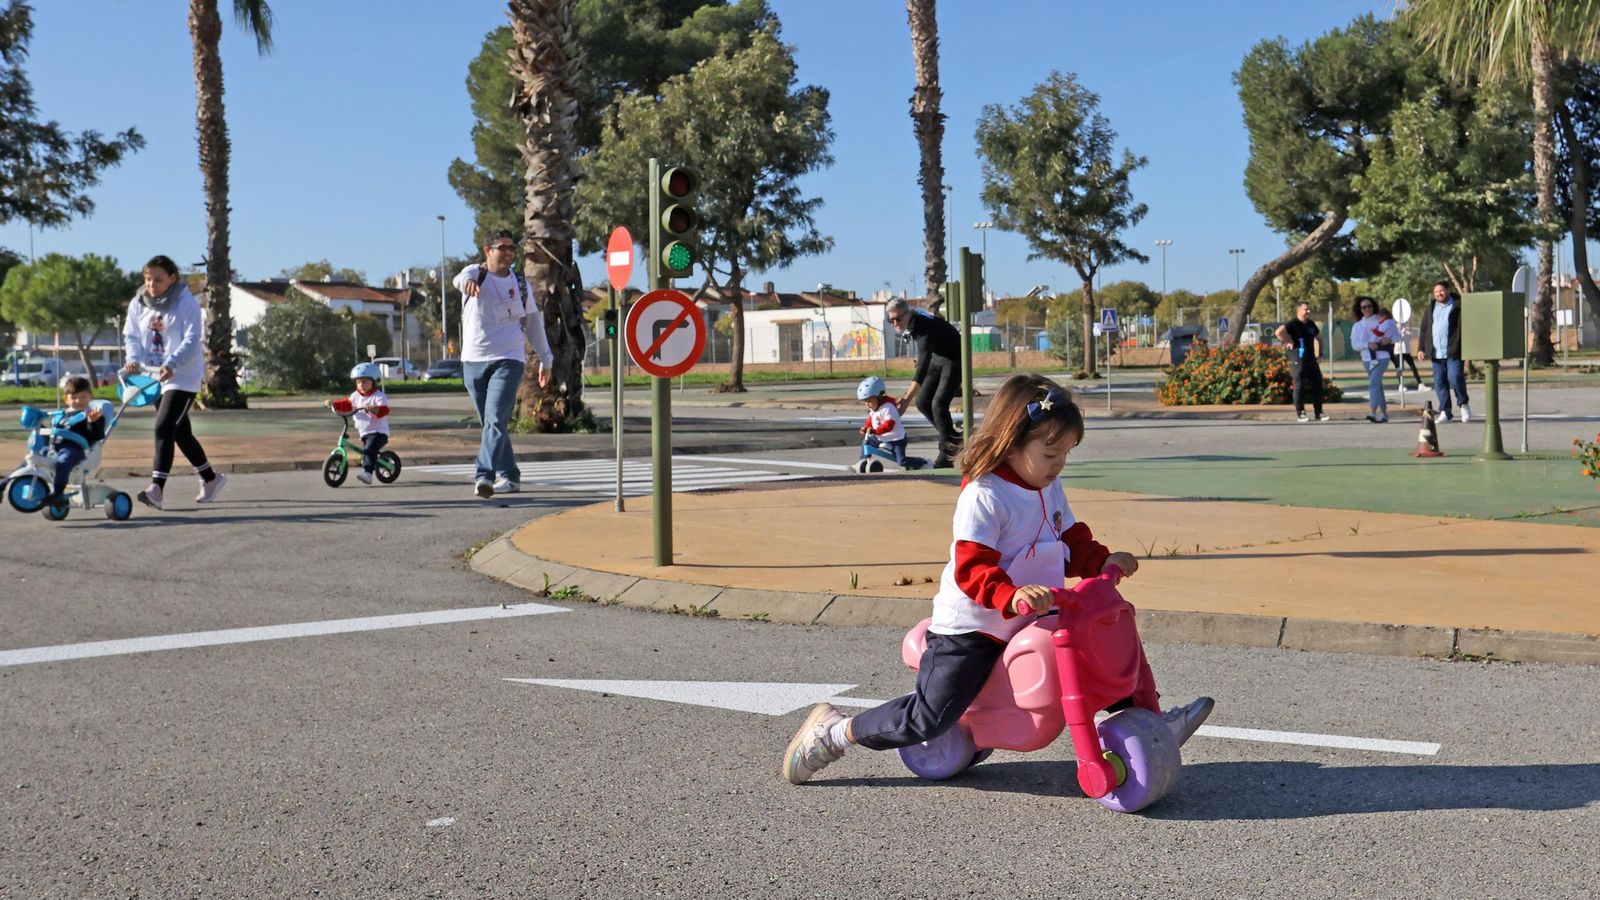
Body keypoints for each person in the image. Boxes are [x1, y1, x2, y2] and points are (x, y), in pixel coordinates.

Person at [781, 374, 1215, 785]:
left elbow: (1068, 536)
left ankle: (1150, 722)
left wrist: (1101, 561)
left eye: (1066, 453)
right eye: (1050, 454)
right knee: (930, 717)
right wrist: (1010, 593)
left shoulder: (1047, 484)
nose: (1059, 464)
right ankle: (836, 733)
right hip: (976, 625)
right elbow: (973, 568)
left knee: (1104, 636)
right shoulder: (986, 495)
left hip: (1034, 612)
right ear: (1011, 443)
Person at [452, 230, 553, 498]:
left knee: (495, 419)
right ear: (487, 250)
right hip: (473, 361)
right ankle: (510, 476)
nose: (508, 252)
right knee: (491, 423)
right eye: (502, 247)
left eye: (511, 247)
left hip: (509, 359)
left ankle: (484, 475)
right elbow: (460, 279)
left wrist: (546, 358)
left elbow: (533, 322)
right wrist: (467, 284)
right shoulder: (475, 273)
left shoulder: (520, 284)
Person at [122, 254, 225, 510]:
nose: (151, 284)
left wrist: (172, 364)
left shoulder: (185, 303)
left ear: (172, 278)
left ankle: (156, 489)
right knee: (180, 432)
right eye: (147, 279)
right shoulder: (139, 303)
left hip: (182, 376)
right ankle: (211, 479)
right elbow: (131, 336)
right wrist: (133, 360)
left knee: (163, 426)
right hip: (153, 375)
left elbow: (192, 340)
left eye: (157, 279)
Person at [887, 298, 963, 468]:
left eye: (898, 318)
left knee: (938, 404)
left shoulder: (923, 330)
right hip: (938, 357)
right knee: (922, 401)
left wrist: (906, 400)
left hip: (955, 358)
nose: (894, 323)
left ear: (908, 314)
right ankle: (953, 438)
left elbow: (921, 368)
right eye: (890, 320)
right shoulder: (913, 322)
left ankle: (947, 452)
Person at [43, 375, 106, 509]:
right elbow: (53, 433)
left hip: (76, 450)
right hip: (56, 448)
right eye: (74, 397)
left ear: (90, 396)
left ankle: (58, 493)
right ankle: (7, 483)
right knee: (33, 456)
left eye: (83, 397)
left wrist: (92, 423)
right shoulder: (62, 416)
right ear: (66, 399)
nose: (79, 401)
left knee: (63, 462)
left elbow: (96, 436)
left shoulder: (93, 415)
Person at [1417, 281, 1470, 423]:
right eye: (1436, 292)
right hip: (1436, 353)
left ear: (1448, 290)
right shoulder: (1431, 308)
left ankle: (1463, 404)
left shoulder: (1459, 305)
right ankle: (1445, 412)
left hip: (1453, 351)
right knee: (1440, 383)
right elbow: (1424, 329)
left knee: (1455, 377)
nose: (1438, 294)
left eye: (1441, 291)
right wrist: (1421, 348)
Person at [331, 362, 391, 485]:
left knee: (368, 450)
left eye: (365, 382)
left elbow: (384, 410)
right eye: (358, 382)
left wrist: (373, 409)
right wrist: (333, 404)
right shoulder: (355, 396)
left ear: (373, 382)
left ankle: (368, 473)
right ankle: (373, 461)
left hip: (378, 433)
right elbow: (347, 404)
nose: (361, 385)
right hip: (364, 432)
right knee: (368, 451)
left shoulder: (378, 396)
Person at [853, 375, 924, 472]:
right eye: (865, 402)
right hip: (881, 437)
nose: (867, 404)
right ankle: (863, 460)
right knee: (867, 441)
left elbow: (889, 425)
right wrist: (866, 427)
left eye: (869, 401)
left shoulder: (888, 408)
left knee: (902, 461)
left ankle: (922, 462)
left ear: (879, 397)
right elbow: (871, 419)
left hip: (896, 439)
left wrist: (875, 431)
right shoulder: (874, 408)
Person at [1349, 296, 1400, 423]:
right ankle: (1383, 413)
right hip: (1367, 359)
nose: (1367, 309)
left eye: (1369, 306)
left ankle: (1372, 411)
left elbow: (1397, 336)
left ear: (1373, 307)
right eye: (1364, 307)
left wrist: (1390, 339)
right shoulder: (1357, 326)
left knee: (1373, 383)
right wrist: (1367, 345)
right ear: (1360, 309)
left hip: (1383, 356)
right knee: (1377, 385)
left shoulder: (1382, 321)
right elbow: (1355, 345)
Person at [1275, 302, 1328, 422]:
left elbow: (1320, 339)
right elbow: (1278, 332)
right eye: (1306, 310)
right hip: (1298, 359)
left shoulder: (1311, 324)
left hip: (1311, 359)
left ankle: (1319, 413)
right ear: (1299, 311)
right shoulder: (1292, 323)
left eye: (1309, 309)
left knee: (1317, 384)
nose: (1308, 312)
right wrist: (1288, 340)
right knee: (1299, 386)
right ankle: (1301, 413)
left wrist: (1320, 354)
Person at [1389, 307, 1424, 389]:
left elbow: (1410, 337)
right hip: (1398, 352)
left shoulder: (1405, 327)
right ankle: (1400, 385)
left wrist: (1408, 331)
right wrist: (1402, 332)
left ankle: (1420, 384)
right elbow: (1395, 338)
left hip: (1406, 351)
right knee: (1400, 369)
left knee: (1413, 367)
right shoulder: (1395, 327)